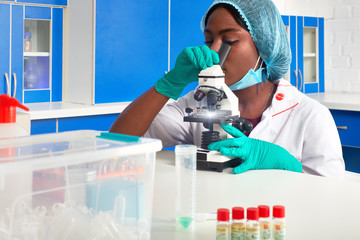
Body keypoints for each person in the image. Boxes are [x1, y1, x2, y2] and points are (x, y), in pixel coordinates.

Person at [110, 0, 345, 179]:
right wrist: (170, 84)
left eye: (230, 41)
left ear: (265, 46)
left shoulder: (310, 115)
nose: (215, 51)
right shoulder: (197, 102)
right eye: (208, 40)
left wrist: (288, 165)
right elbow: (119, 142)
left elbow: (334, 197)